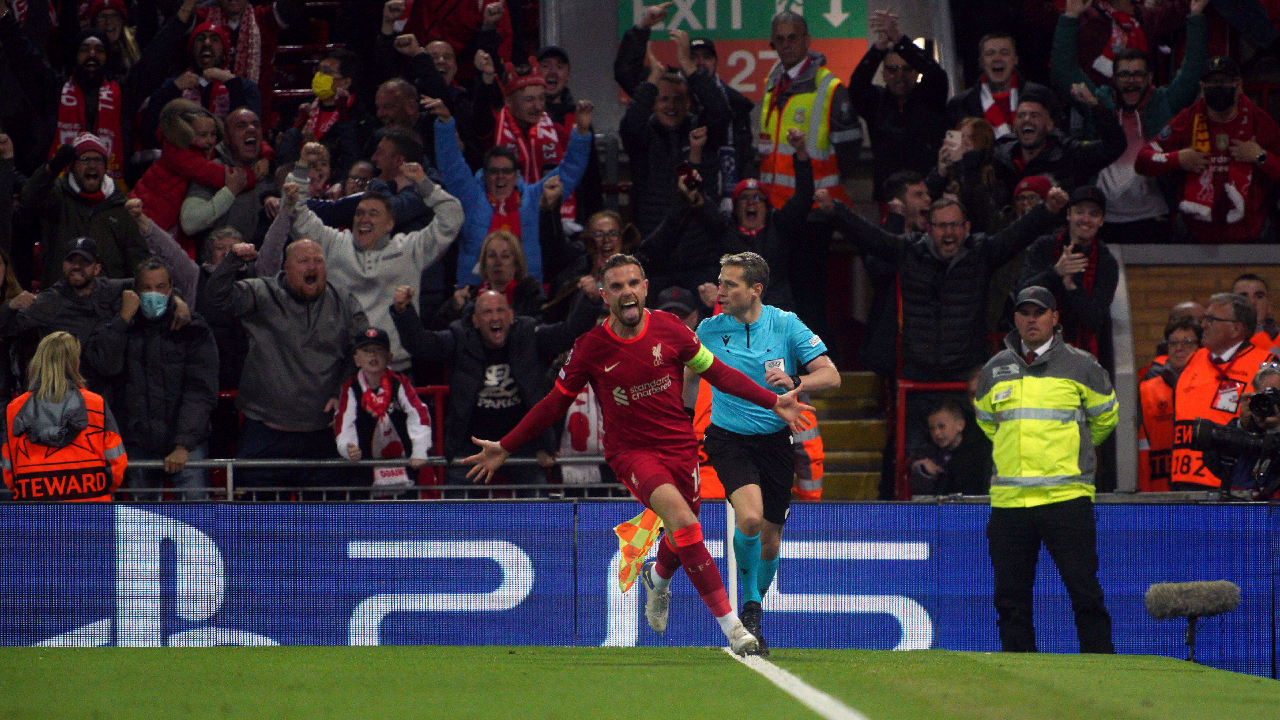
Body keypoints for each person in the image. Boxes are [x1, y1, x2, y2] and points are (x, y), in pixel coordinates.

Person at [464, 254, 815, 654]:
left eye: (633, 283)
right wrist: (506, 446)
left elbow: (717, 373)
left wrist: (773, 402)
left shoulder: (671, 330)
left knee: (684, 529)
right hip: (632, 453)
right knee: (684, 522)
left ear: (645, 287)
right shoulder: (590, 348)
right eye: (616, 286)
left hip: (680, 447)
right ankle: (735, 630)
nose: (626, 292)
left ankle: (658, 576)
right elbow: (552, 404)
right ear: (603, 296)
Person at [693, 251, 840, 656]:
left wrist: (796, 378)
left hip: (776, 440)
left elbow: (832, 375)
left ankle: (753, 608)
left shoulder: (785, 324)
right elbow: (677, 371)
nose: (720, 290)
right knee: (751, 518)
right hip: (727, 437)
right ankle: (748, 611)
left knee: (771, 543)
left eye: (730, 284)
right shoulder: (708, 330)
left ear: (755, 289)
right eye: (720, 282)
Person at [974, 286, 1118, 654]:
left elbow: (1105, 421)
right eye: (1024, 312)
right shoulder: (994, 370)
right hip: (1009, 504)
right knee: (1010, 602)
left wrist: (1074, 455)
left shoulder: (1083, 365)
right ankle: (1019, 683)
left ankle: (1104, 676)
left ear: (1055, 318)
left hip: (1065, 498)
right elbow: (989, 424)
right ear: (1016, 319)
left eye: (1040, 312)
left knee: (1084, 592)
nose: (1031, 319)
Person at [392, 286, 600, 497]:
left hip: (520, 442)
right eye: (487, 312)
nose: (495, 317)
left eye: (500, 311)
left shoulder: (529, 334)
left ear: (510, 317)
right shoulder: (459, 338)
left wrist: (590, 301)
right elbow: (420, 344)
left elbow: (569, 333)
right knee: (456, 514)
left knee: (539, 509)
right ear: (474, 321)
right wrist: (404, 312)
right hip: (471, 445)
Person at [260, 161, 461, 374]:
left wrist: (423, 183)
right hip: (343, 371)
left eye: (373, 213)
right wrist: (300, 171)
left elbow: (452, 217)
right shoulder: (334, 243)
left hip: (396, 372)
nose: (364, 219)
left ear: (389, 224)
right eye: (359, 213)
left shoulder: (411, 248)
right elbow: (297, 213)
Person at [203, 239, 369, 492]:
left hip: (322, 435)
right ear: (286, 268)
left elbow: (360, 351)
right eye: (303, 261)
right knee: (258, 524)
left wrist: (342, 390)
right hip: (265, 433)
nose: (312, 267)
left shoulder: (344, 300)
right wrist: (232, 262)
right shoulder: (260, 293)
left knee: (323, 525)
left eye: (318, 261)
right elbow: (215, 300)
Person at [1051, 0, 1208, 244]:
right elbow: (1064, 70)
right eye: (1124, 75)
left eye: (1137, 75)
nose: (1131, 81)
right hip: (1104, 220)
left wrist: (1195, 16)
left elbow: (1192, 71)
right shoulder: (1098, 102)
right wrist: (1070, 17)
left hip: (1155, 219)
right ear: (1113, 79)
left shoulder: (1164, 101)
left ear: (1149, 78)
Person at [85, 257, 219, 500]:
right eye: (147, 288)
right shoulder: (119, 323)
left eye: (160, 287)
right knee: (143, 524)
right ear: (135, 291)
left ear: (171, 289)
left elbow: (200, 391)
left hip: (186, 445)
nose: (154, 294)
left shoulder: (192, 327)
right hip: (137, 443)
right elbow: (104, 366)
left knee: (197, 518)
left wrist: (183, 445)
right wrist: (123, 321)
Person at [431, 97, 592, 287]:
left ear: (516, 176)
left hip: (525, 296)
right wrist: (445, 124)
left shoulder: (534, 199)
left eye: (506, 171)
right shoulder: (471, 197)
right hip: (476, 295)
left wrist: (581, 132)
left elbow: (569, 171)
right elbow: (451, 165)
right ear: (484, 175)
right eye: (493, 172)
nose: (500, 177)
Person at [1136, 56, 1280, 244]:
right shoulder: (1186, 120)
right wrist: (1178, 158)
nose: (1218, 87)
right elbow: (1143, 161)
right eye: (1212, 82)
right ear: (1202, 87)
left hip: (1250, 232)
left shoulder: (1259, 121)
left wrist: (1259, 156)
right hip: (1196, 233)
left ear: (1239, 86)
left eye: (1225, 81)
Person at [1, 331, 127, 501]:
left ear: (38, 363)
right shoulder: (96, 404)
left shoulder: (16, 409)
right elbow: (116, 462)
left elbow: (9, 470)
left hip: (35, 513)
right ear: (75, 363)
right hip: (92, 512)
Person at [758, 11, 861, 208]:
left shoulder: (829, 87)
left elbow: (849, 151)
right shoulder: (771, 84)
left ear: (807, 40)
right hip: (775, 205)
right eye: (780, 39)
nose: (786, 45)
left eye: (793, 38)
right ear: (773, 44)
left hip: (816, 208)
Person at [1171, 293, 1273, 491]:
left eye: (1211, 319)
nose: (1203, 325)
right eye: (1204, 319)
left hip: (1230, 489)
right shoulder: (1194, 359)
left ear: (1236, 328)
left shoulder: (1265, 367)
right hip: (1182, 484)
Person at [20, 134, 150, 289]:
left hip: (105, 306)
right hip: (59, 302)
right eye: (85, 159)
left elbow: (138, 260)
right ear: (73, 166)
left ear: (105, 166)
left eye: (98, 160)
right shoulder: (57, 197)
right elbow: (29, 197)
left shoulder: (120, 206)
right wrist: (52, 168)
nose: (92, 165)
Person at [850, 8, 949, 202]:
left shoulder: (930, 98)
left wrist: (900, 40)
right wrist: (879, 48)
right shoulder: (876, 101)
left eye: (907, 68)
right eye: (892, 69)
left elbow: (936, 74)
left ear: (916, 72)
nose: (899, 75)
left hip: (929, 194)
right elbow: (857, 86)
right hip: (889, 197)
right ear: (884, 73)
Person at [1018, 186, 1120, 372]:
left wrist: (1071, 287)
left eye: (1094, 214)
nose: (1086, 219)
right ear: (1068, 215)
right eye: (1079, 212)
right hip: (1038, 355)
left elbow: (1096, 318)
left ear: (1102, 221)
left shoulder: (1106, 262)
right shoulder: (1044, 247)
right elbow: (1024, 293)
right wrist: (1056, 272)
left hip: (1085, 362)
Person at [990, 84, 1126, 207]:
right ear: (1014, 126)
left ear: (1049, 125)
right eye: (1021, 116)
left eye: (1034, 115)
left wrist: (1094, 105)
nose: (1026, 120)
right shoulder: (1000, 157)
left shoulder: (1070, 153)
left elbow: (1115, 145)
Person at [334, 327, 432, 492]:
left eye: (379, 350)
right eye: (366, 350)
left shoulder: (400, 383)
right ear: (356, 359)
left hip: (403, 467)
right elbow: (344, 422)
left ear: (390, 357)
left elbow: (419, 414)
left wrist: (419, 449)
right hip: (365, 470)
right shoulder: (350, 388)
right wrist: (348, 447)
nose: (373, 355)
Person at [130, 99, 247, 235]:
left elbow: (235, 145)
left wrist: (265, 153)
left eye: (213, 134)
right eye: (203, 135)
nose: (210, 140)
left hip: (159, 222)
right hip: (145, 221)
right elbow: (219, 175)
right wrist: (250, 175)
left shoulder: (199, 148)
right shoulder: (180, 154)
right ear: (184, 133)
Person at [180, 108, 271, 247]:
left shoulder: (272, 166)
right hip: (223, 262)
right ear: (227, 138)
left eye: (256, 125)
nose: (251, 128)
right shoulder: (211, 171)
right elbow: (190, 223)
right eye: (241, 126)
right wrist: (229, 192)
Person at [946, 33, 1053, 139]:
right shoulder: (959, 104)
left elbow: (1056, 139)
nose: (997, 58)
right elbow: (953, 148)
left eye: (1004, 53)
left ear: (1015, 60)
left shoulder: (1041, 96)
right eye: (990, 53)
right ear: (981, 62)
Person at [1137, 316, 1200, 492]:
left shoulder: (1211, 385)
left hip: (1201, 487)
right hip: (1158, 489)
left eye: (1187, 342)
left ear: (1200, 347)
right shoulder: (1146, 390)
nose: (1179, 348)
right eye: (1173, 343)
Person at [1200, 364, 1280, 500]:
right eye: (1262, 398)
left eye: (1275, 397)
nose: (1268, 404)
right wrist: (1242, 427)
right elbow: (1213, 463)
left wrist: (1276, 428)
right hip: (1241, 512)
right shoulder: (1241, 428)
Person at [439, 229, 545, 326]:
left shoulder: (531, 296)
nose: (498, 262)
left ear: (516, 263)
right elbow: (438, 327)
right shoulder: (470, 298)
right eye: (492, 256)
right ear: (483, 263)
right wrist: (453, 308)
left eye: (505, 256)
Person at [908, 398, 992, 497]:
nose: (936, 433)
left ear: (960, 425)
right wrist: (924, 473)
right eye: (932, 428)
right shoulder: (930, 455)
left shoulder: (979, 454)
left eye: (941, 426)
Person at [1233, 274, 1279, 350]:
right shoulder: (1216, 346)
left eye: (1259, 297)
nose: (1252, 302)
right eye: (1243, 297)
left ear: (1269, 307)